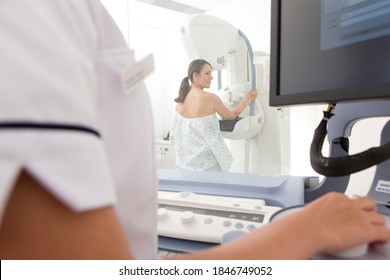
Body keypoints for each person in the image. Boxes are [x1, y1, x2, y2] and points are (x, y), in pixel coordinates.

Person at [0, 1, 389, 260]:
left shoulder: (179, 100)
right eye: (209, 72)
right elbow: (234, 114)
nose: (213, 74)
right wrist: (304, 231)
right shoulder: (32, 14)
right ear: (198, 75)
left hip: (188, 170)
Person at [170, 59, 258, 172]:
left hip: (183, 166)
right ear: (195, 75)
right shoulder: (211, 99)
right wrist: (248, 99)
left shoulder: (180, 99)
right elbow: (231, 116)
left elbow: (175, 135)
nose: (211, 77)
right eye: (207, 73)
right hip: (206, 167)